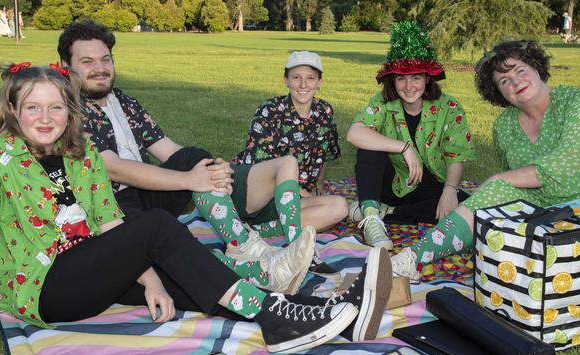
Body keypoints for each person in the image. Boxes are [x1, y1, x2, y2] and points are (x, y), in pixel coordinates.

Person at [0, 63, 391, 353]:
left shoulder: (83, 152)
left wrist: (150, 281)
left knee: (188, 274)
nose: (45, 117)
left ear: (69, 110)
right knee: (157, 228)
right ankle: (274, 316)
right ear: (11, 110)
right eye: (33, 107)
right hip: (43, 287)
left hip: (90, 270)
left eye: (55, 106)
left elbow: (110, 222)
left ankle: (322, 315)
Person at [57, 20, 341, 292]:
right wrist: (189, 180)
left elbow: (168, 149)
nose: (100, 68)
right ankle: (256, 270)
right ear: (66, 67)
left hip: (143, 194)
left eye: (105, 59)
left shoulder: (124, 102)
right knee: (170, 250)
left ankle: (242, 245)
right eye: (88, 62)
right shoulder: (70, 110)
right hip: (108, 206)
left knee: (196, 156)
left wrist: (213, 169)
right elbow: (114, 169)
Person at [392, 39, 580, 281]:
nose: (515, 82)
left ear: (537, 68)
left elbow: (569, 161)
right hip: (541, 210)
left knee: (499, 185)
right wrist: (500, 185)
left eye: (520, 70)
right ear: (498, 93)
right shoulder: (505, 125)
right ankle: (411, 258)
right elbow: (512, 181)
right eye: (504, 81)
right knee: (498, 192)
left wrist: (499, 180)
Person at [346, 21, 476, 250]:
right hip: (390, 181)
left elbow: (456, 155)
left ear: (427, 78)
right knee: (369, 146)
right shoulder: (383, 102)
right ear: (392, 80)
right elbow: (354, 133)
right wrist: (404, 147)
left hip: (427, 186)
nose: (408, 86)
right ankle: (371, 217)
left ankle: (388, 213)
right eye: (401, 78)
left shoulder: (449, 107)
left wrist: (449, 190)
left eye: (416, 77)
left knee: (466, 208)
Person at [232, 51, 349, 236]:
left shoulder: (324, 111)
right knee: (288, 164)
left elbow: (325, 152)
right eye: (296, 77)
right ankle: (256, 223)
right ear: (286, 80)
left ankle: (259, 231)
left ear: (320, 82)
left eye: (310, 78)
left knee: (341, 207)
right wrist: (306, 195)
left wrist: (319, 184)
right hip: (258, 196)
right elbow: (261, 167)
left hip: (290, 202)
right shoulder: (269, 110)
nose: (303, 85)